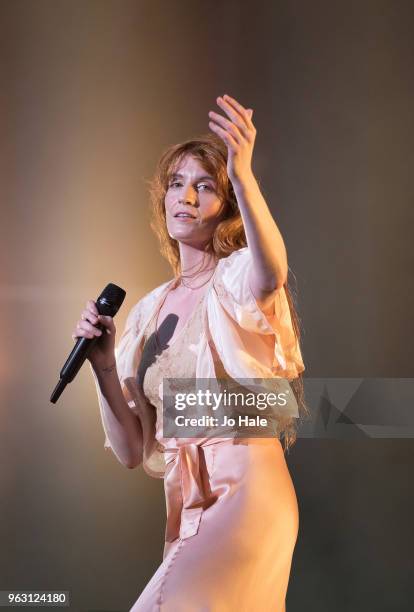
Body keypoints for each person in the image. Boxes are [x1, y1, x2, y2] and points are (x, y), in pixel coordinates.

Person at [73, 94, 307, 611]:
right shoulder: (149, 311)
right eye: (177, 184)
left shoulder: (236, 277)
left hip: (248, 490)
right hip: (190, 503)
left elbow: (273, 272)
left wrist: (243, 175)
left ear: (226, 206)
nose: (188, 197)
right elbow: (134, 450)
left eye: (205, 187)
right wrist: (105, 367)